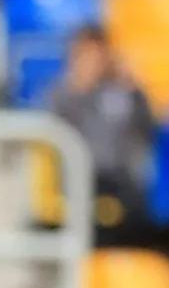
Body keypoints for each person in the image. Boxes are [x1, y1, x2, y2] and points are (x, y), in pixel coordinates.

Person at [44, 26, 158, 237]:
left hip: (118, 181)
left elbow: (148, 129)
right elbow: (54, 134)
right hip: (75, 179)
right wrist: (80, 91)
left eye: (97, 55)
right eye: (85, 55)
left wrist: (134, 91)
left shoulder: (121, 93)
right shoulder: (61, 93)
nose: (92, 62)